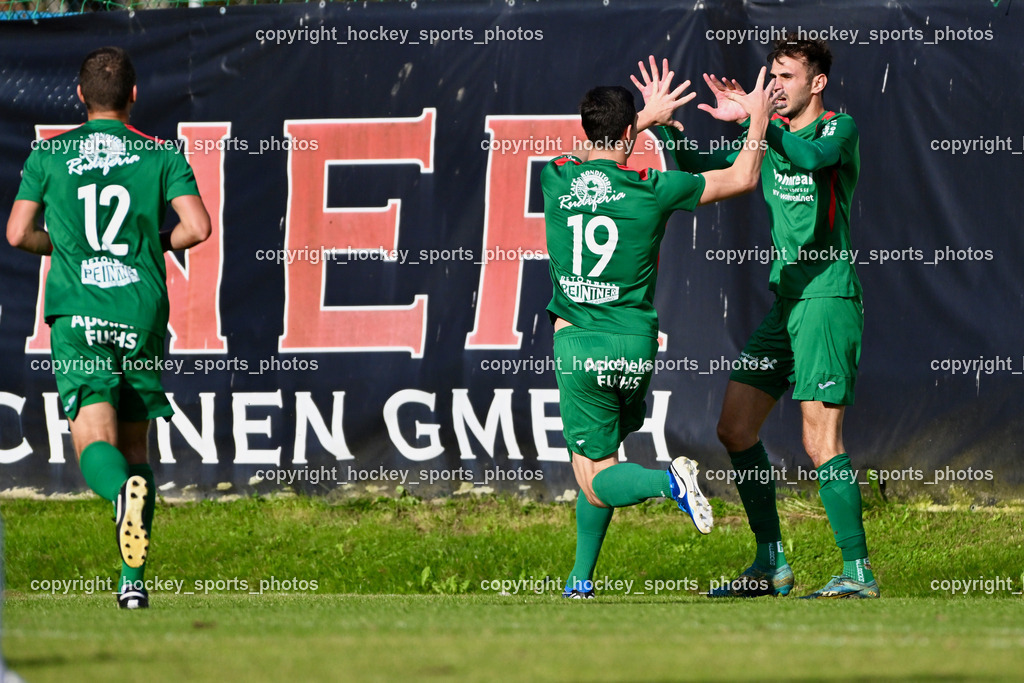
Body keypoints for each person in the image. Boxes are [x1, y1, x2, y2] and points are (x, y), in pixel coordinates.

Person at [635, 35, 877, 599]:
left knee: (821, 443)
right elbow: (700, 168)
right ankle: (771, 564)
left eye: (786, 77)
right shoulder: (768, 137)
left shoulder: (837, 130)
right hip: (787, 301)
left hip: (826, 299)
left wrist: (759, 123)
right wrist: (668, 127)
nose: (774, 86)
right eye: (770, 76)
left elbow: (811, 158)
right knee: (735, 428)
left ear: (816, 83)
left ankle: (857, 572)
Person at [543, 65, 776, 598]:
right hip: (635, 344)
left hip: (581, 342)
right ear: (628, 134)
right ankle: (579, 582)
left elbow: (591, 154)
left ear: (587, 131)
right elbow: (743, 177)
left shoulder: (555, 176)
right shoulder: (654, 186)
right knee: (597, 459)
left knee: (595, 475)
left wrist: (640, 120)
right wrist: (758, 123)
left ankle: (666, 480)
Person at [6, 46, 212, 609]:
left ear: (79, 96)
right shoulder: (162, 155)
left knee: (95, 443)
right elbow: (198, 228)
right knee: (135, 443)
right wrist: (152, 246)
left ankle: (120, 494)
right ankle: (132, 584)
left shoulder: (49, 155)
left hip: (78, 315)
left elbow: (18, 234)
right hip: (140, 311)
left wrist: (67, 249)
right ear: (134, 96)